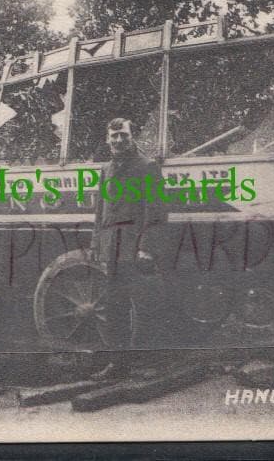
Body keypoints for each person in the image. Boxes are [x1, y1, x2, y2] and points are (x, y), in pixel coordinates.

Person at [90, 118, 166, 379]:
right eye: (114, 136)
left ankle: (152, 364)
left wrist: (146, 247)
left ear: (132, 137)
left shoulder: (147, 167)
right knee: (114, 308)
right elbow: (100, 210)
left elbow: (155, 212)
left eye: (123, 135)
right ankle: (118, 365)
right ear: (107, 139)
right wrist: (96, 245)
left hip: (136, 248)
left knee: (147, 307)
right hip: (112, 249)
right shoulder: (106, 169)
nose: (119, 140)